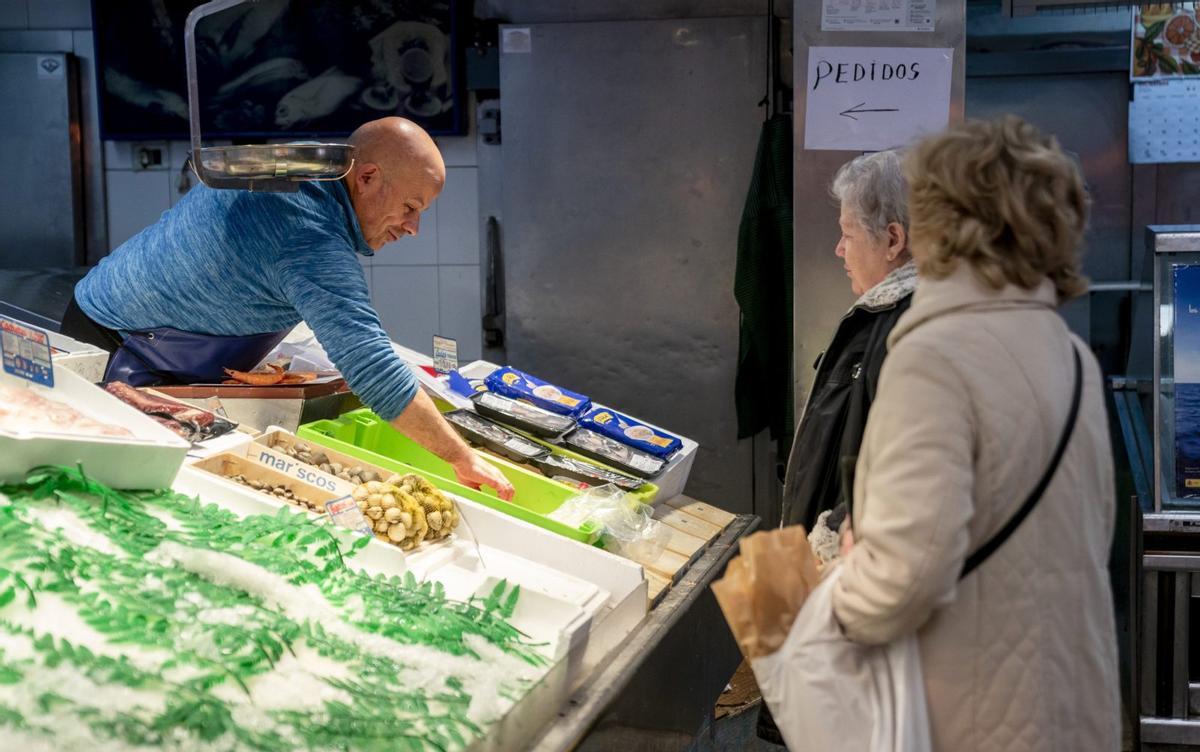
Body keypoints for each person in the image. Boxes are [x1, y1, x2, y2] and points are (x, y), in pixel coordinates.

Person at [833, 117, 1119, 750]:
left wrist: (847, 572)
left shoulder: (934, 356)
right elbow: (1089, 538)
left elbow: (904, 582)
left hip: (970, 713)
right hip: (1072, 705)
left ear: (943, 222)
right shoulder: (1073, 358)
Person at [62, 117, 514, 501]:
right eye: (410, 207)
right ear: (368, 177)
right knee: (106, 491)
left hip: (121, 317)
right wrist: (462, 457)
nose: (414, 228)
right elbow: (370, 364)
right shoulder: (308, 237)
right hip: (118, 349)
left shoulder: (306, 176)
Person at [779, 149, 917, 532]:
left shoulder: (906, 332)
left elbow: (897, 491)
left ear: (893, 239)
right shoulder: (890, 316)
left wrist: (829, 542)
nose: (839, 248)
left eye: (848, 234)